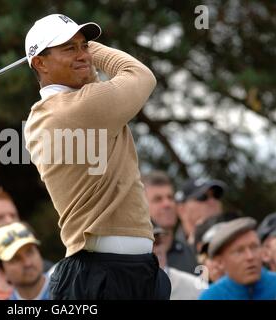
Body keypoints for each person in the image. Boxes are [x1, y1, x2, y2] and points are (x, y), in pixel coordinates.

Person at [23, 14, 170, 299]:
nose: (82, 54)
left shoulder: (66, 106)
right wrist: (93, 48)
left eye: (83, 45)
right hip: (100, 273)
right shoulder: (76, 108)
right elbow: (140, 75)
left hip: (128, 269)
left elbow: (93, 79)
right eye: (69, 48)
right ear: (39, 63)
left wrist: (79, 53)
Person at [199, 217, 276, 300]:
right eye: (239, 251)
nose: (250, 256)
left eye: (254, 247)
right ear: (220, 262)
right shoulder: (212, 296)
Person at [142, 171, 198, 273]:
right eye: (157, 199)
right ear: (142, 207)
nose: (167, 204)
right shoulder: (135, 255)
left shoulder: (192, 254)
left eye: (170, 197)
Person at [0, 222, 50, 300]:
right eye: (15, 259)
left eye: (30, 252)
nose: (28, 263)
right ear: (1, 270)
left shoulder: (67, 289)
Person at [152, 224, 203, 300]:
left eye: (157, 242)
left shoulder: (194, 286)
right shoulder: (132, 287)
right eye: (150, 244)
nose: (156, 249)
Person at [175, 178, 226, 246]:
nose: (212, 201)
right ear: (182, 210)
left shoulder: (237, 234)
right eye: (202, 197)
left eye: (216, 196)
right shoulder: (167, 250)